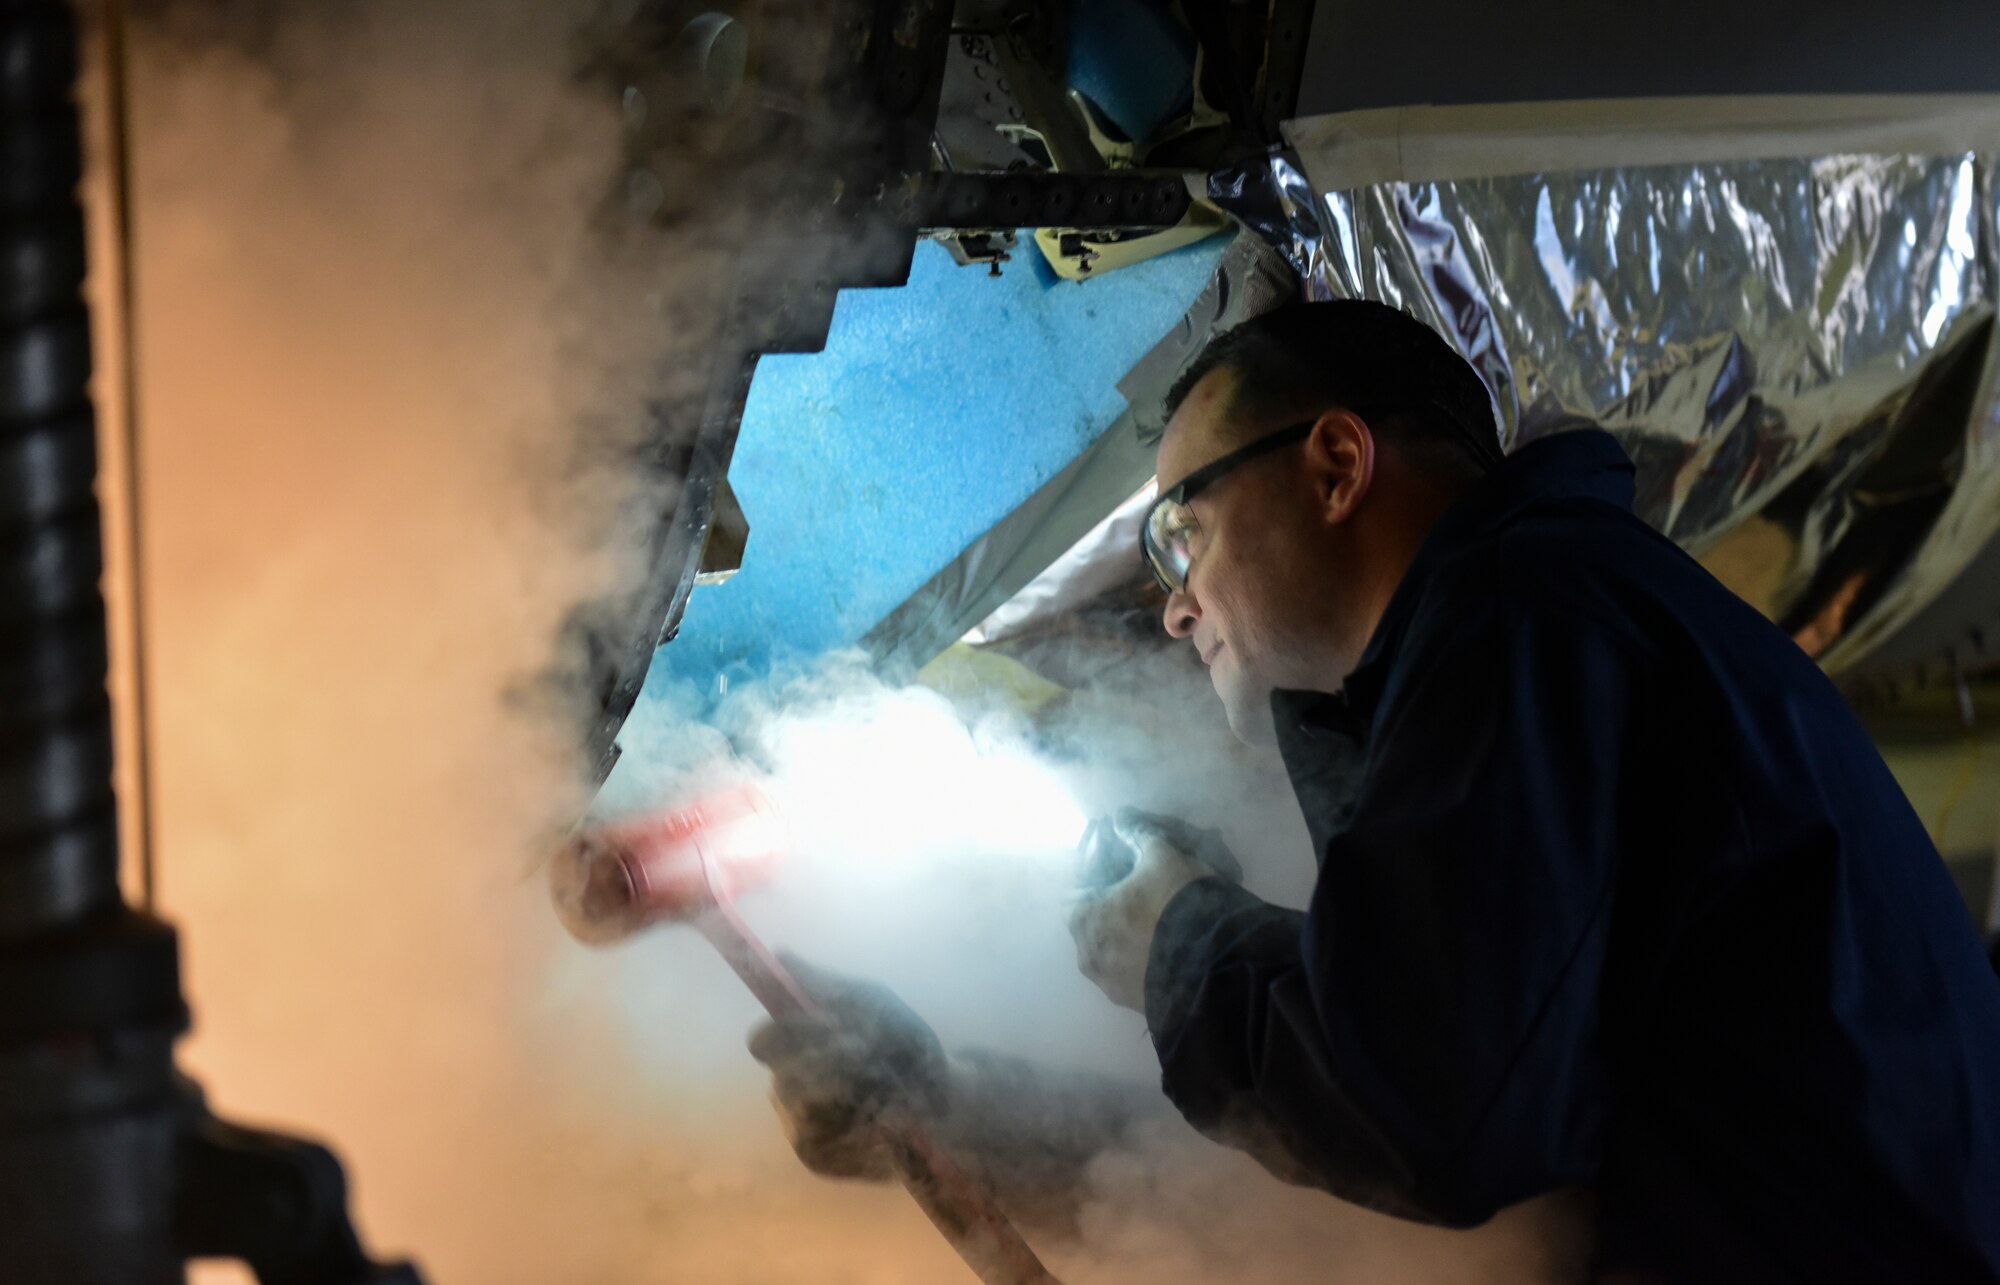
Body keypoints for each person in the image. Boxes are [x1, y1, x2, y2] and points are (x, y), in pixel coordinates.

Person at [753, 300, 2000, 1282]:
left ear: (1335, 463)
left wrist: (1182, 943)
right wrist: (953, 1116)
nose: (1175, 600)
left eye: (1179, 533)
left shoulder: (1524, 612)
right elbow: (1392, 1161)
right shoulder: (1549, 627)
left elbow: (1432, 1116)